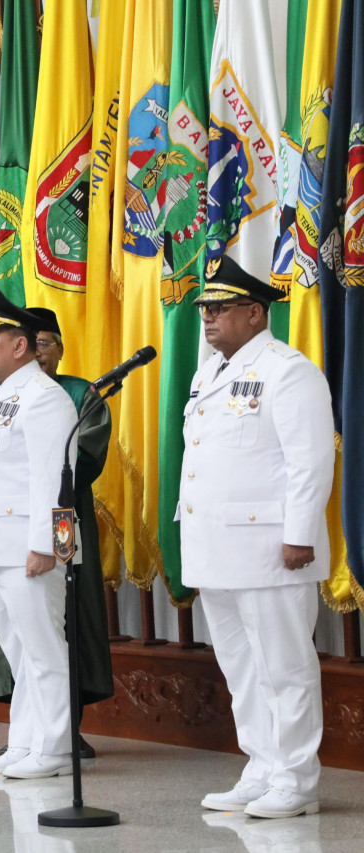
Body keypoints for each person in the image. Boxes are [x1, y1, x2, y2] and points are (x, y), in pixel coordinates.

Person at [177, 255, 335, 819]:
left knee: (284, 667)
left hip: (272, 550)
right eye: (204, 308)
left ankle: (295, 779)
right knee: (242, 669)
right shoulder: (206, 373)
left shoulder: (288, 370)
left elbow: (310, 461)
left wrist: (299, 534)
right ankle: (262, 766)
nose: (209, 317)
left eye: (220, 308)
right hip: (216, 548)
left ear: (255, 312)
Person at [0, 306, 114, 760]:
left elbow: (71, 470)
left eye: (45, 344)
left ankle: (60, 736)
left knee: (57, 626)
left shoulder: (73, 394)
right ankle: (27, 736)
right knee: (23, 637)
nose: (39, 353)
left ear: (58, 348)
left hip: (61, 525)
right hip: (8, 530)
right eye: (32, 343)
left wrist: (47, 545)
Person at [0, 286, 78, 780]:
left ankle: (53, 749)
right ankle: (25, 741)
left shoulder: (44, 398)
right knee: (20, 651)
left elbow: (57, 481)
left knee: (45, 650)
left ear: (21, 345)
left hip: (31, 552)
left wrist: (48, 548)